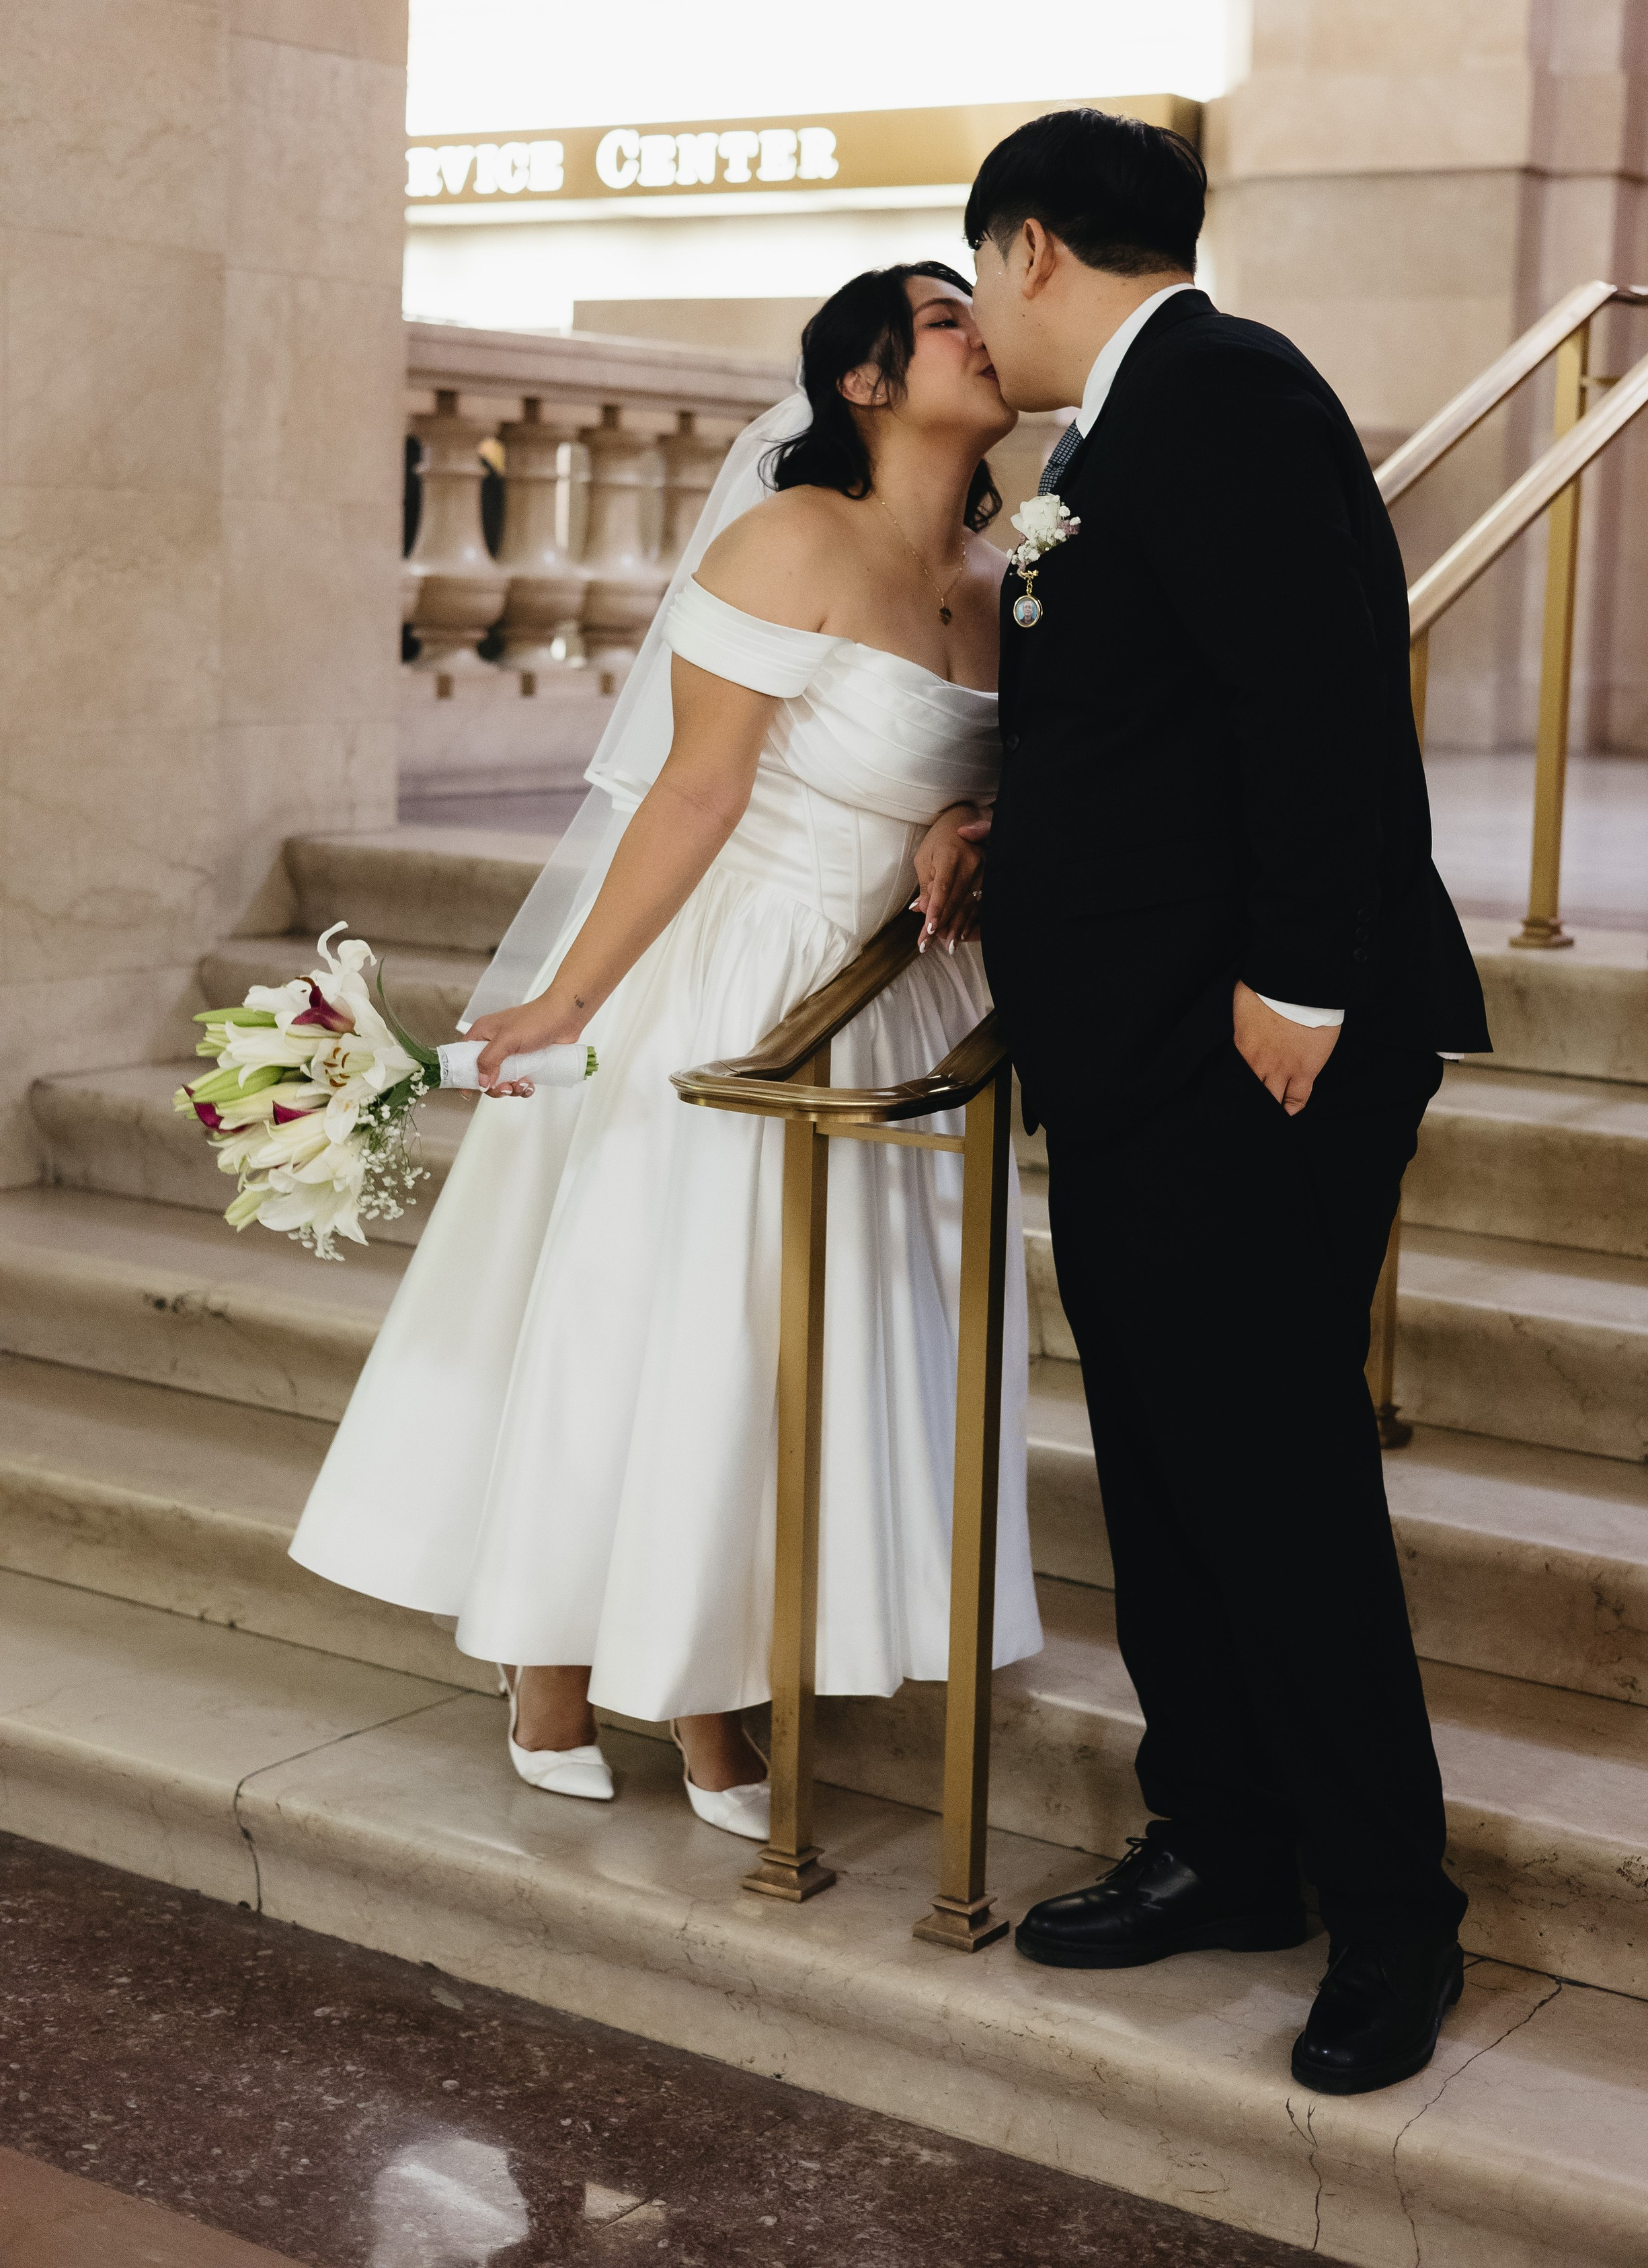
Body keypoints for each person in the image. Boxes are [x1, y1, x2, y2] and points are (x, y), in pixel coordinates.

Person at [290, 263, 1042, 1838]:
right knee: (683, 1324)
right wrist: (572, 1004)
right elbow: (697, 795)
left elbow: (1021, 768)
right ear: (864, 380)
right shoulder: (787, 541)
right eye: (944, 320)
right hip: (733, 972)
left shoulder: (1001, 571)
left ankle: (730, 1657)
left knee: (822, 1341)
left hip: (887, 992)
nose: (982, 333)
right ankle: (597, 1672)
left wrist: (977, 822)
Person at [965, 110, 1491, 2097]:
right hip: (1133, 1051)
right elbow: (1152, 725)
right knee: (1175, 1480)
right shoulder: (1129, 420)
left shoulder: (1223, 390)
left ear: (1029, 247)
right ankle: (1231, 1845)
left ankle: (1396, 1920)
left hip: (1252, 1051)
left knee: (1274, 1490)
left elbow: (1320, 700)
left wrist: (1302, 982)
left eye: (983, 282)